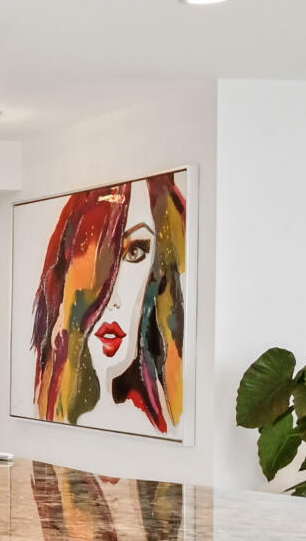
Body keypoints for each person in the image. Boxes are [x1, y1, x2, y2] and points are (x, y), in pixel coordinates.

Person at [27, 173, 187, 433]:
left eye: (135, 252)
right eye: (96, 259)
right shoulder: (49, 413)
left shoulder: (165, 420)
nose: (114, 298)